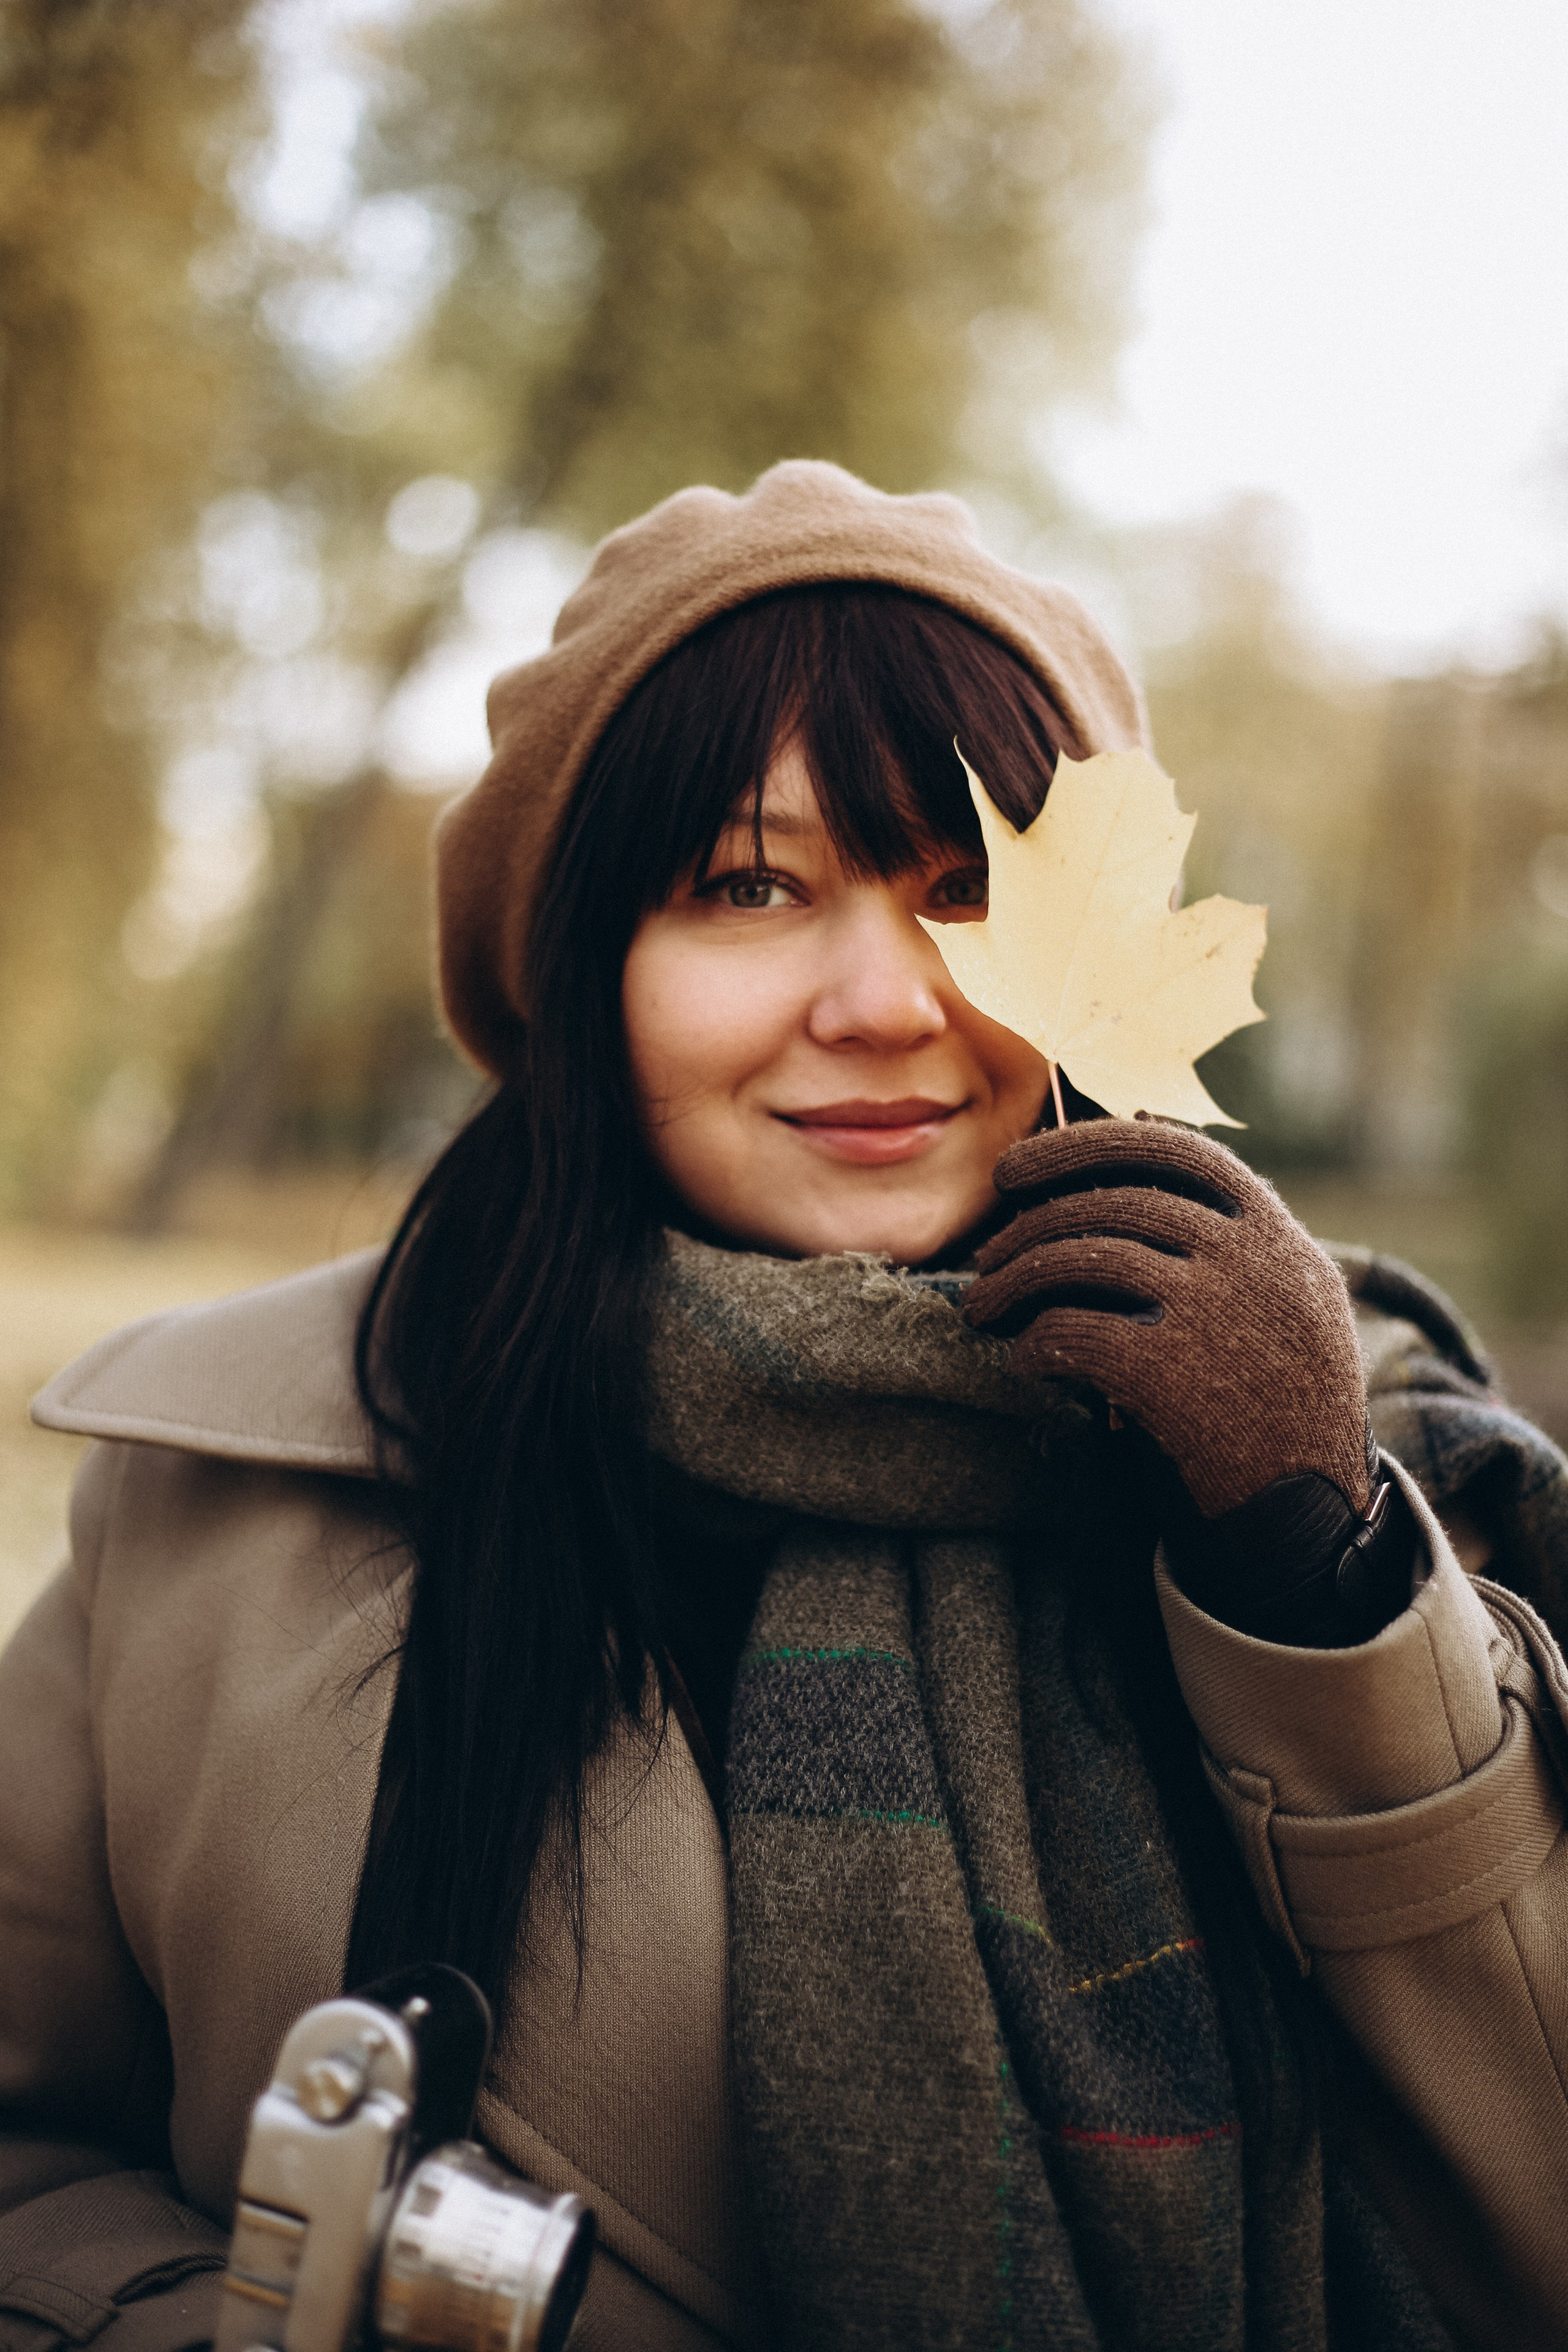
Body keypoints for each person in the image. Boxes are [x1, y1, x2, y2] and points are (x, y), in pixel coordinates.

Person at [2, 461, 1567, 2352]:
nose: (885, 997)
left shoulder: (1367, 1479)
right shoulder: (222, 1503)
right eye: (749, 885)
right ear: (587, 972)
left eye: (972, 886)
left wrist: (1316, 1589)